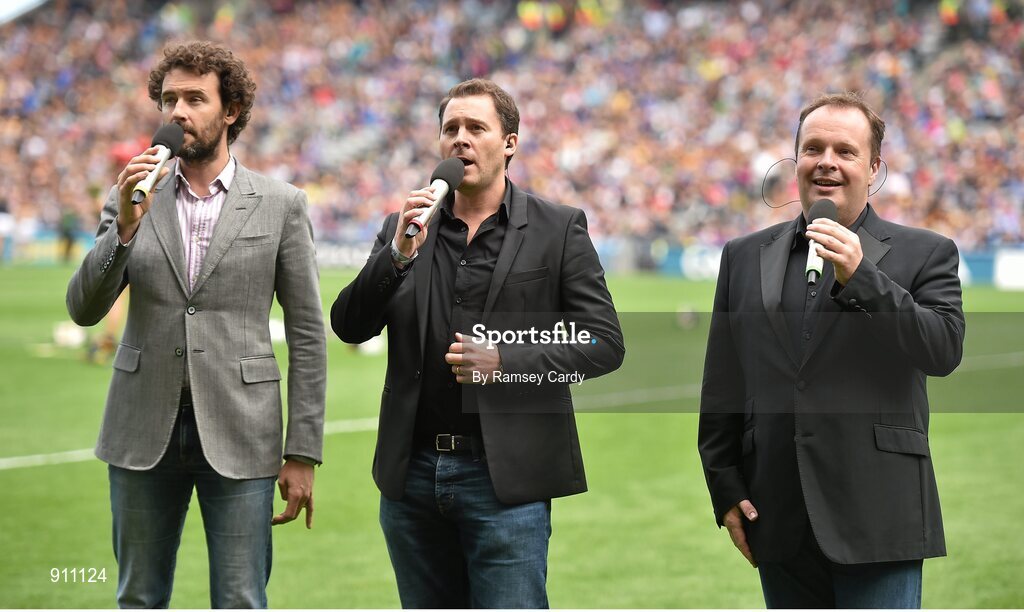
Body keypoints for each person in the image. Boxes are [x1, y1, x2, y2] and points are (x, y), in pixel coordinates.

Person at [331, 78, 624, 608]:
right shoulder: (404, 229)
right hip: (413, 476)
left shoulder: (557, 229)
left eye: (476, 128)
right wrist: (395, 256)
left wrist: (507, 362)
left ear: (510, 142)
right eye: (450, 129)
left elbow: (604, 342)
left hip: (505, 480)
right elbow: (351, 327)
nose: (460, 139)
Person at [66, 41, 326, 609]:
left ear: (230, 110)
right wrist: (126, 228)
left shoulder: (281, 204)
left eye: (194, 98)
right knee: (138, 596)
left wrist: (303, 450)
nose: (177, 111)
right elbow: (83, 308)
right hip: (141, 428)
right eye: (168, 99)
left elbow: (308, 333)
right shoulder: (132, 194)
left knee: (239, 599)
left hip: (243, 430)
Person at [697, 92, 965, 609]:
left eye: (845, 151)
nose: (827, 162)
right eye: (813, 148)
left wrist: (864, 278)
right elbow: (723, 382)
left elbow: (943, 349)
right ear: (795, 160)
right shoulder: (743, 256)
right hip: (778, 515)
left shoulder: (925, 252)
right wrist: (724, 486)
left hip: (879, 512)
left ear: (873, 168)